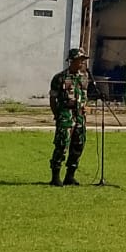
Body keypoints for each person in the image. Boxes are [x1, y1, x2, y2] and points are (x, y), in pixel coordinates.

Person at [48, 47, 89, 186]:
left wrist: (85, 107)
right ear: (72, 61)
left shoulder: (83, 78)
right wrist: (57, 115)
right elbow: (53, 99)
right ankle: (55, 177)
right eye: (80, 60)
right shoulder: (59, 78)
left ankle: (70, 176)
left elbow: (84, 97)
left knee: (78, 145)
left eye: (83, 61)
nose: (82, 63)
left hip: (79, 117)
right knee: (61, 145)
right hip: (65, 116)